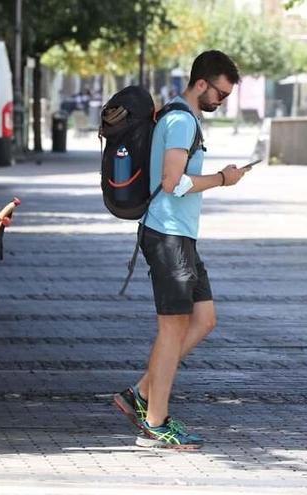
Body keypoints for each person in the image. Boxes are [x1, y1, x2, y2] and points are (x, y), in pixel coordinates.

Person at [113, 50, 245, 449]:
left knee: (204, 320)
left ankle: (140, 392)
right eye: (219, 93)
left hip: (180, 236)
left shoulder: (180, 118)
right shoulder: (180, 121)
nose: (221, 101)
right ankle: (156, 422)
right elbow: (174, 181)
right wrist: (222, 178)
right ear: (200, 83)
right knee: (171, 330)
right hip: (167, 236)